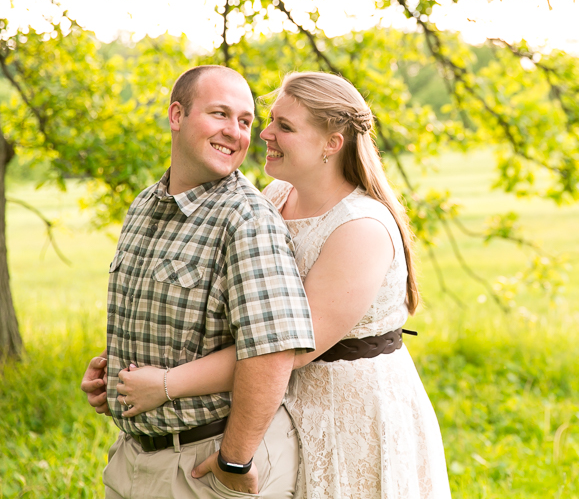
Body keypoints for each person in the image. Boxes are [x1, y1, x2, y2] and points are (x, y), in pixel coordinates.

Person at [111, 71, 452, 498]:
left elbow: (287, 349)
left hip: (348, 410)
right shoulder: (275, 196)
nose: (265, 134)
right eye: (270, 120)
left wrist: (166, 383)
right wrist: (122, 368)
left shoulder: (361, 228)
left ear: (331, 144)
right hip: (278, 405)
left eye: (284, 126)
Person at [80, 65, 315, 498]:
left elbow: (274, 352)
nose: (235, 132)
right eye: (220, 114)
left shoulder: (247, 220)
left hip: (204, 464)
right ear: (176, 115)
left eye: (245, 121)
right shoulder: (144, 206)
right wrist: (116, 372)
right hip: (132, 459)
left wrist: (234, 460)